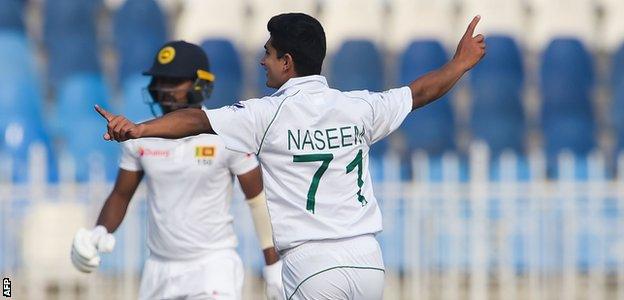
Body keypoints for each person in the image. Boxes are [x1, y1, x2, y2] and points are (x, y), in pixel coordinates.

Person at [94, 13, 485, 300]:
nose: (263, 60)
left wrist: (141, 129)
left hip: (312, 263)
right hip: (368, 261)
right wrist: (460, 63)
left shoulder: (266, 115)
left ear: (287, 62)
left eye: (269, 53)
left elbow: (197, 119)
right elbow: (420, 93)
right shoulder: (359, 107)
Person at [71, 41, 284, 300]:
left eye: (174, 82)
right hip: (158, 270)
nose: (164, 90)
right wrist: (99, 232)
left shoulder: (227, 133)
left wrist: (272, 266)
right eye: (160, 81)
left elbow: (258, 201)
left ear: (199, 85)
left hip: (212, 266)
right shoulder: (139, 135)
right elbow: (120, 195)